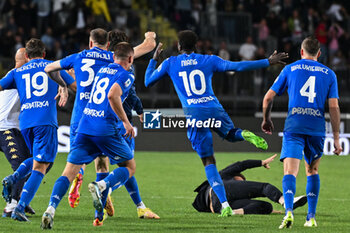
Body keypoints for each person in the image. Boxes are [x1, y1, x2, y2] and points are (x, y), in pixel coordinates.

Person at [145, 30, 288, 217]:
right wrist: (267, 61)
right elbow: (237, 67)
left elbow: (148, 81)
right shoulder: (209, 59)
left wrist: (154, 59)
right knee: (230, 134)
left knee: (209, 162)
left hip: (194, 115)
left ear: (179, 47)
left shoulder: (170, 63)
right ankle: (242, 134)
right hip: (213, 108)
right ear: (197, 45)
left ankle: (224, 204)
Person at [41, 43, 144, 229]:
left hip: (84, 125)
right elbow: (113, 95)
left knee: (68, 172)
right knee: (129, 166)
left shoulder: (103, 70)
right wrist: (126, 122)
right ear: (130, 59)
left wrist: (64, 84)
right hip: (105, 128)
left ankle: (50, 209)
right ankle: (103, 186)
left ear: (114, 57)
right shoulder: (127, 74)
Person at [261, 36, 342, 228]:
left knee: (290, 171)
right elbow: (334, 107)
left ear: (301, 52)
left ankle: (289, 211)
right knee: (312, 170)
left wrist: (266, 119)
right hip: (316, 129)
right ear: (319, 54)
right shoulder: (330, 74)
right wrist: (336, 138)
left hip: (294, 127)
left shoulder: (289, 69)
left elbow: (267, 98)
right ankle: (311, 217)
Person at [0, 38, 74, 221]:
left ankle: (14, 179)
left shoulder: (17, 72)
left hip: (24, 123)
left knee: (37, 162)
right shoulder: (52, 66)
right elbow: (76, 86)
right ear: (44, 54)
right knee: (41, 165)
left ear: (26, 55)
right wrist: (65, 85)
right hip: (44, 120)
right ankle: (19, 206)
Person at [192, 154, 307, 215]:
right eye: (242, 180)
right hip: (218, 192)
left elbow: (252, 205)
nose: (243, 182)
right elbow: (241, 165)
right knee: (264, 187)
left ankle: (234, 213)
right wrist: (261, 162)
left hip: (219, 208)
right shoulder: (224, 176)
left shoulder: (236, 191)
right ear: (237, 176)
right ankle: (286, 201)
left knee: (266, 207)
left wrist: (263, 210)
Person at [0, 48, 33, 217]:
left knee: (32, 161)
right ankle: (10, 206)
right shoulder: (18, 74)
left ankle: (21, 199)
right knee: (20, 164)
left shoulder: (21, 74)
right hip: (3, 126)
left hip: (14, 127)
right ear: (27, 58)